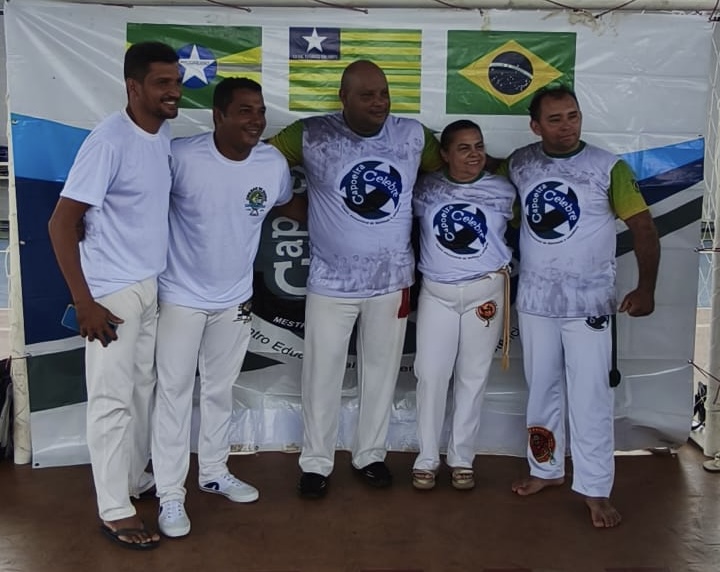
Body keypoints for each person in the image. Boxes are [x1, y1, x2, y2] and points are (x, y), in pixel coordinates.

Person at [269, 59, 443, 498]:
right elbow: (255, 165)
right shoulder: (310, 133)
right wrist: (300, 209)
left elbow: (451, 172)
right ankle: (315, 462)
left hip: (392, 281)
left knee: (381, 373)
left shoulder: (413, 135)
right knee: (321, 374)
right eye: (367, 95)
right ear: (343, 97)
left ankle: (370, 455)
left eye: (384, 93)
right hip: (331, 282)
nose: (379, 102)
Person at [151, 77, 306, 537]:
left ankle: (214, 471)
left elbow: (287, 205)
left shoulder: (271, 163)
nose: (256, 120)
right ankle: (170, 495)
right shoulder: (181, 156)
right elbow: (138, 201)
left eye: (260, 111)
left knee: (219, 390)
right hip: (179, 297)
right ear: (217, 116)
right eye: (244, 111)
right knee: (175, 395)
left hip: (234, 299)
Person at [504, 85, 660, 528]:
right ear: (535, 126)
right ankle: (546, 468)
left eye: (572, 116)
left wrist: (646, 289)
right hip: (535, 301)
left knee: (591, 397)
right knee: (541, 390)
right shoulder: (520, 163)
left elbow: (644, 228)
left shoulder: (607, 167)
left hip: (589, 303)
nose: (567, 126)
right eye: (554, 119)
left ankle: (595, 489)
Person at [47, 42, 182, 549]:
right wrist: (85, 302)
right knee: (111, 399)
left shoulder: (161, 134)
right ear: (133, 86)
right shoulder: (108, 141)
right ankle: (114, 509)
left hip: (149, 284)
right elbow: (61, 223)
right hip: (111, 294)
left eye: (176, 81)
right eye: (162, 83)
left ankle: (131, 478)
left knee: (142, 390)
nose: (173, 91)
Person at [411, 120, 514, 491]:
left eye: (479, 146)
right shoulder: (425, 189)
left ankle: (461, 458)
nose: (474, 155)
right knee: (431, 373)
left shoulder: (504, 189)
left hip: (485, 292)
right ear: (444, 154)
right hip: (437, 292)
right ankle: (427, 457)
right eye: (464, 148)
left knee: (473, 375)